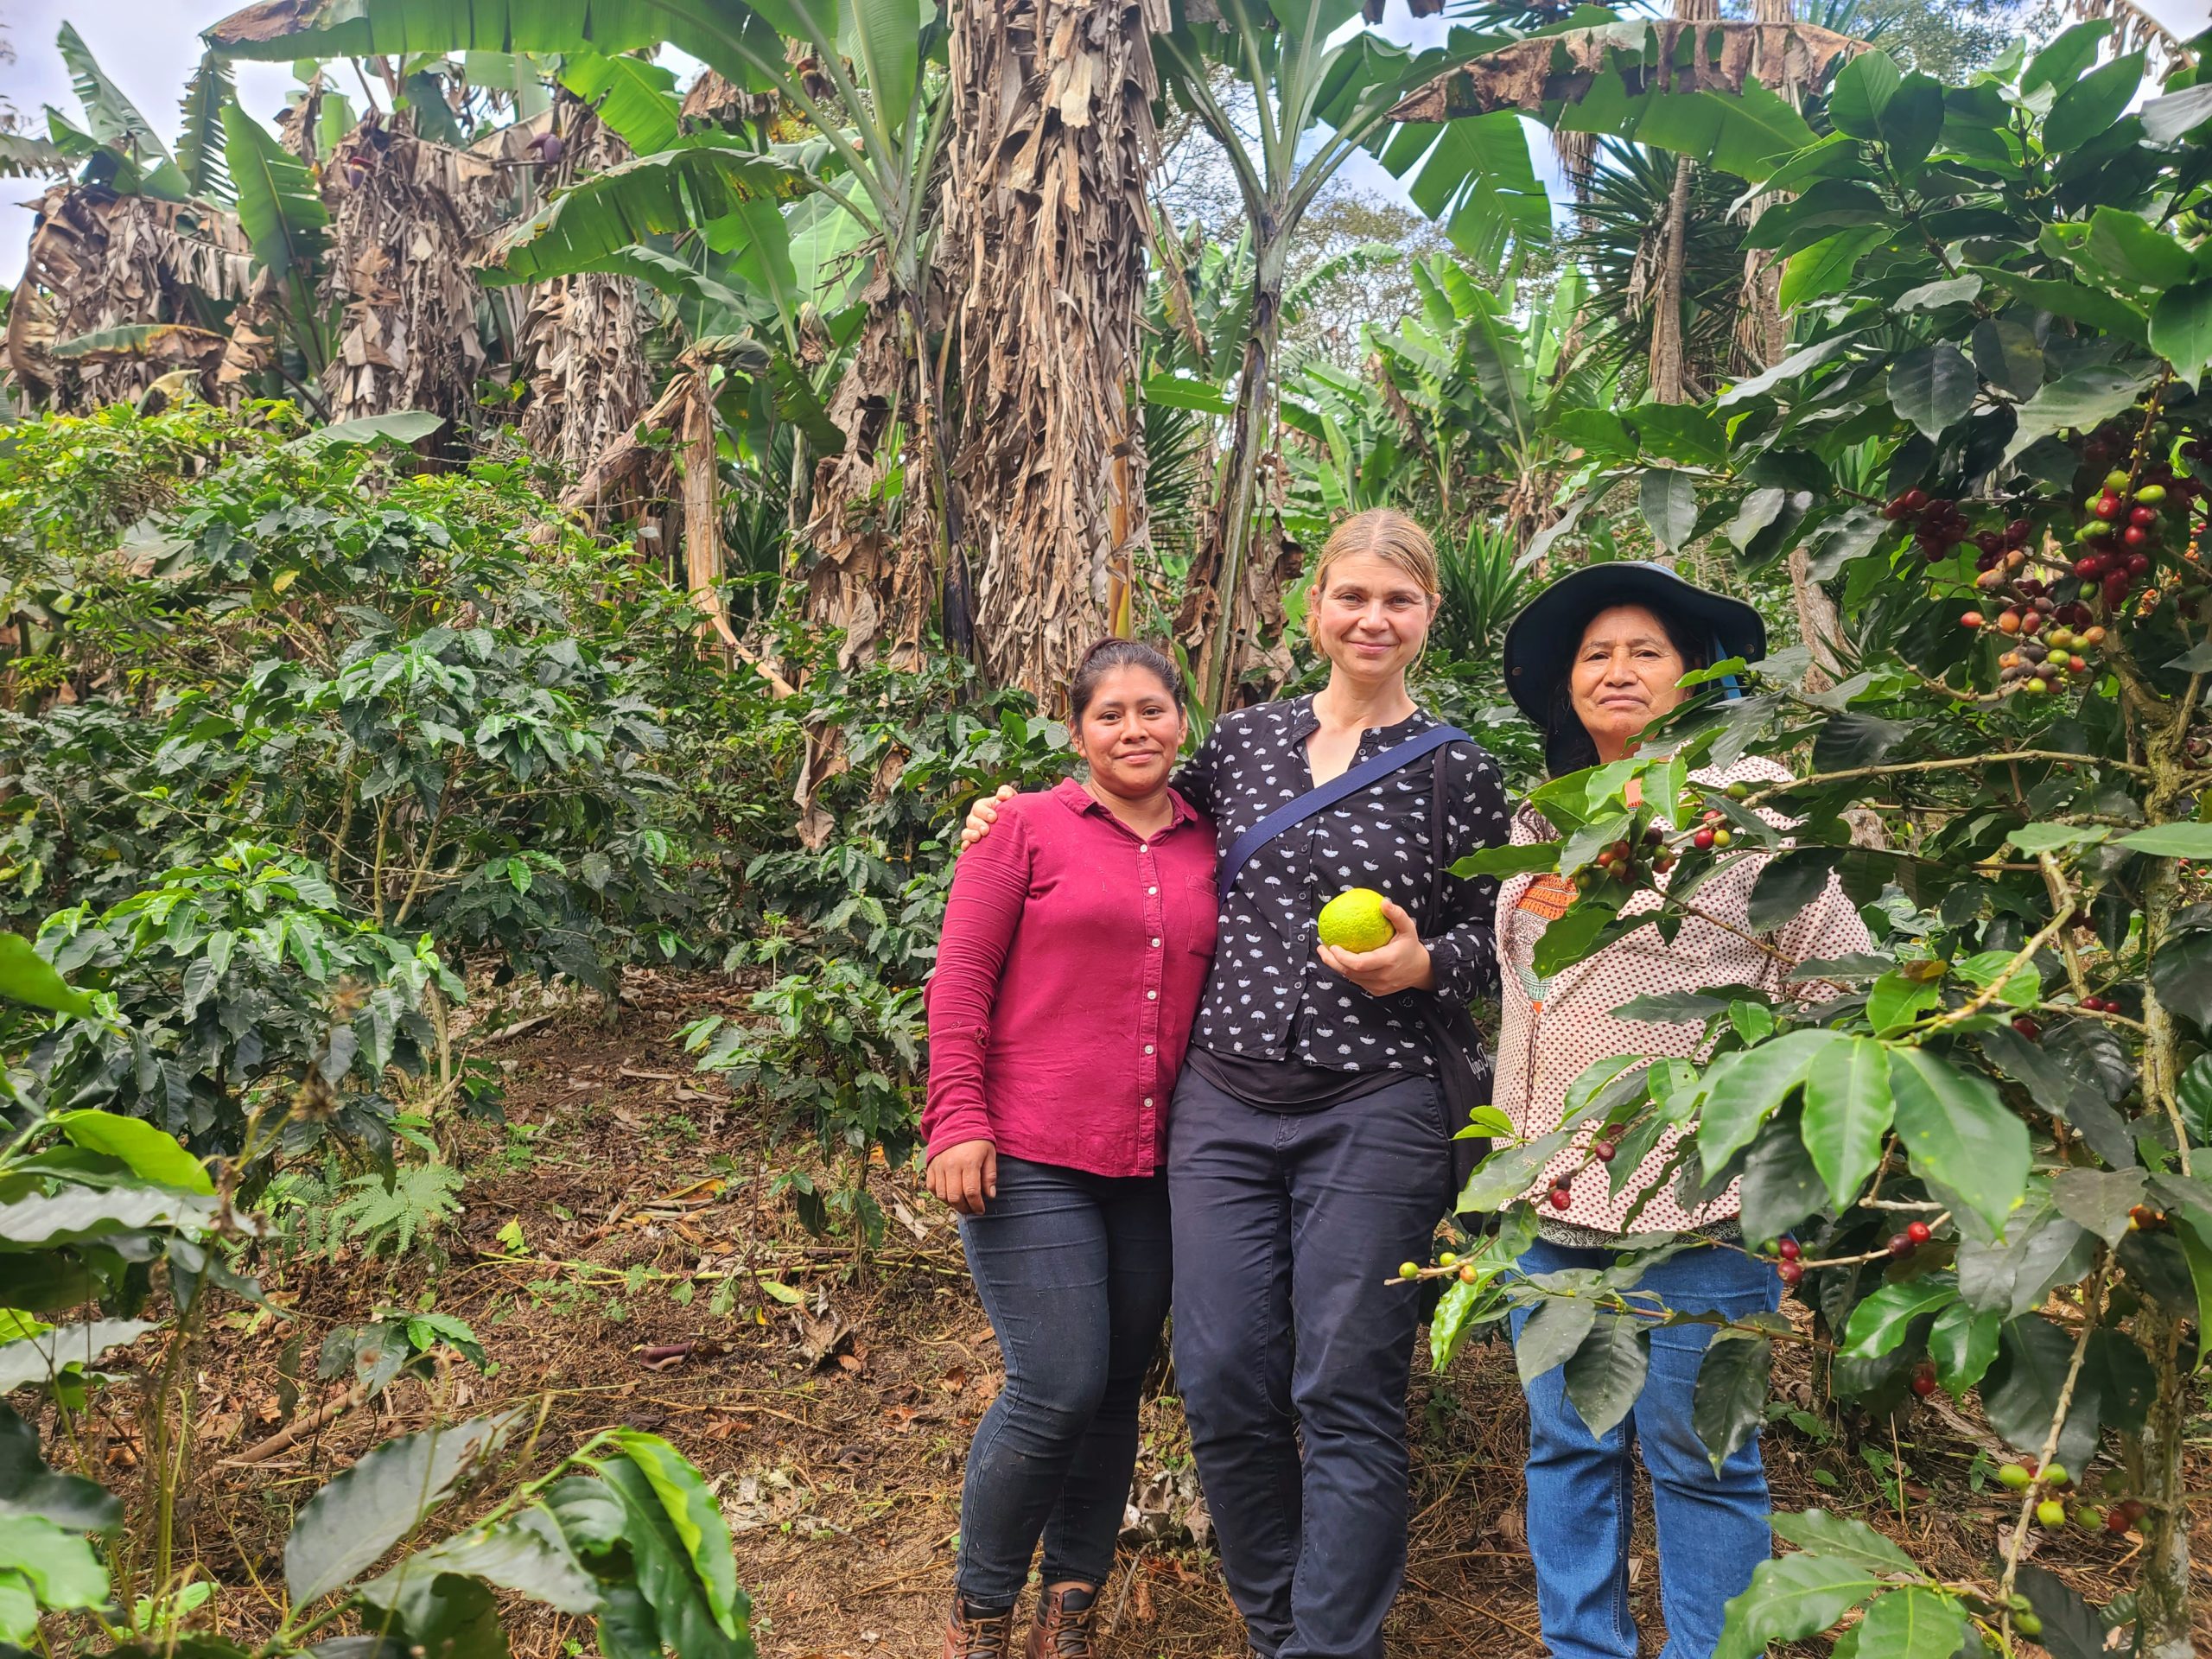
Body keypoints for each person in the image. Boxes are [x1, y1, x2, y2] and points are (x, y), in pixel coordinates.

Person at [964, 508, 1510, 1659]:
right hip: (1223, 1104)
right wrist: (1014, 813)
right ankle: (1279, 1629)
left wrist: (1423, 961)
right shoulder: (1245, 747)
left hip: (1379, 1103)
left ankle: (1327, 1648)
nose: (1372, 618)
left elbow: (1496, 929)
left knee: (1346, 1385)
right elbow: (1133, 816)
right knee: (1219, 1380)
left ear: (1426, 620)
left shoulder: (1459, 769)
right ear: (1313, 607)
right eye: (1351, 595)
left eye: (1397, 600)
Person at [1493, 563, 1874, 1659]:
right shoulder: (1544, 815)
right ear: (1566, 685)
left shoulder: (1744, 806)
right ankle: (1585, 1647)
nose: (1616, 672)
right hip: (1552, 1204)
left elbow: (1837, 984)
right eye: (1595, 654)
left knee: (1705, 1462)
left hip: (1698, 1204)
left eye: (1643, 652)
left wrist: (1769, 1150)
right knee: (1566, 1451)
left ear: (1692, 675)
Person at [923, 639, 1216, 1659]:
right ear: (1076, 727)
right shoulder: (1023, 828)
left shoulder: (1208, 839)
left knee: (1113, 1388)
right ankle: (983, 1610)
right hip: (1032, 1148)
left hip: (1155, 1161)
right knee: (1056, 1381)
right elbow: (958, 980)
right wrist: (955, 1118)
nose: (1133, 731)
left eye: (1152, 710)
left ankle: (1071, 1607)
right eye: (1109, 715)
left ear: (1183, 717)